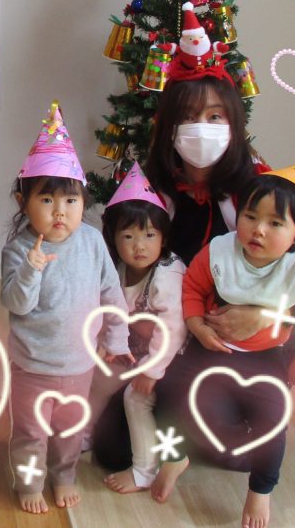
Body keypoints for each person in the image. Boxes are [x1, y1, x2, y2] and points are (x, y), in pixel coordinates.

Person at [94, 2, 295, 473]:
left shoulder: (264, 197)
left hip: (243, 350)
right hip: (165, 343)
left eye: (214, 117)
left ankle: (218, 420)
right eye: (189, 117)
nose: (201, 130)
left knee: (237, 454)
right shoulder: (149, 197)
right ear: (168, 126)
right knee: (112, 451)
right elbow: (112, 272)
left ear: (234, 125)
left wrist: (270, 313)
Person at [152, 166, 295, 528]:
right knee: (169, 389)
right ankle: (174, 456)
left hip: (266, 355)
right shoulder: (220, 252)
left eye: (275, 223)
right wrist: (196, 324)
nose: (258, 229)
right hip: (211, 343)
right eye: (251, 216)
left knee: (273, 417)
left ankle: (261, 489)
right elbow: (192, 287)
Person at [0, 102, 130, 514]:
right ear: (23, 202)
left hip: (79, 364)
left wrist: (116, 338)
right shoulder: (18, 249)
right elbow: (16, 303)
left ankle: (65, 475)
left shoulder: (91, 241)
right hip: (32, 365)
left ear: (82, 202)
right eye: (47, 199)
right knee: (31, 433)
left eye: (71, 200)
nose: (60, 210)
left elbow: (111, 292)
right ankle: (29, 482)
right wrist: (31, 269)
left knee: (71, 429)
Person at [86, 164, 188, 495]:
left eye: (149, 235)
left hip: (168, 359)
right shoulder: (117, 268)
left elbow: (173, 328)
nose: (139, 246)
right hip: (131, 352)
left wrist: (151, 370)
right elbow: (107, 311)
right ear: (114, 240)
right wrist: (108, 343)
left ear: (163, 238)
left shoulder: (166, 274)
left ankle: (144, 470)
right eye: (128, 236)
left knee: (136, 398)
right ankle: (83, 434)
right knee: (99, 379)